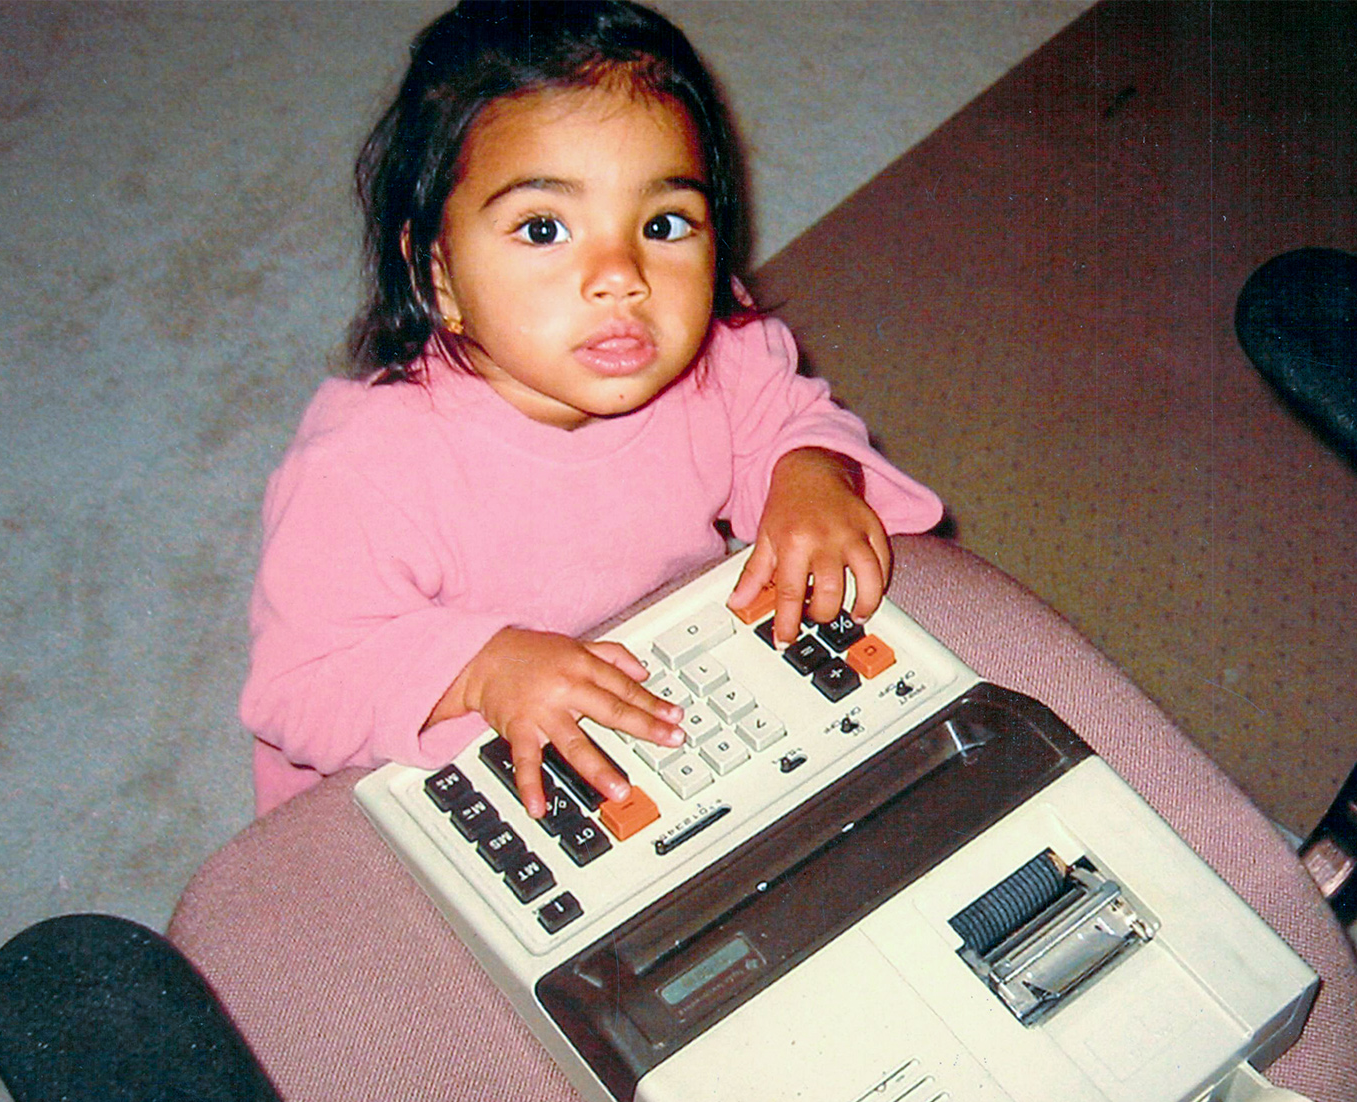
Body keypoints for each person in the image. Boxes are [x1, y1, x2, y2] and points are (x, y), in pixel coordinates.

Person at [241, 0, 943, 819]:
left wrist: (812, 475)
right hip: (424, 763)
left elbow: (784, 417)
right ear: (437, 275)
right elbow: (302, 685)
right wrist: (481, 668)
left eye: (664, 223)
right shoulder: (362, 473)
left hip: (657, 691)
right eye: (544, 228)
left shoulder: (717, 353)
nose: (622, 275)